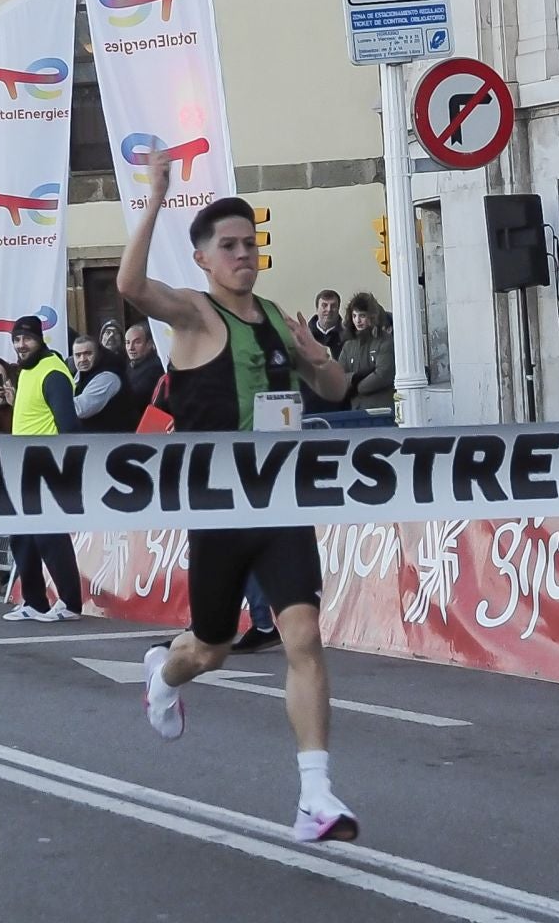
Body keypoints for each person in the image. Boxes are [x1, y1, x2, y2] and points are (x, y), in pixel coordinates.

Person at [120, 150, 358, 843]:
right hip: (218, 505)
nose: (243, 254)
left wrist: (320, 357)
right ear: (203, 260)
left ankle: (315, 795)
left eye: (250, 243)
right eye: (228, 246)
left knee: (304, 635)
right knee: (212, 649)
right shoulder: (193, 314)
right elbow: (133, 284)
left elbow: (335, 391)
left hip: (280, 499)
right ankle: (164, 675)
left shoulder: (279, 318)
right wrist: (156, 195)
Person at [5, 314, 85, 623]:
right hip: (25, 464)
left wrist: (68, 466)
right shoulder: (27, 371)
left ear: (40, 339)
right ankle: (34, 601)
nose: (20, 345)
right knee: (22, 536)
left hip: (49, 465)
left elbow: (68, 424)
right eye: (16, 339)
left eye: (26, 338)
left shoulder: (53, 372)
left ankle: (70, 602)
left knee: (50, 535)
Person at [70, 334, 142, 432]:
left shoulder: (108, 377)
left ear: (98, 353)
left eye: (88, 353)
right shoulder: (80, 373)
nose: (83, 359)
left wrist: (51, 404)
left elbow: (81, 409)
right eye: (78, 355)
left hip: (113, 441)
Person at [337, 293, 396, 413]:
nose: (357, 320)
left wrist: (356, 387)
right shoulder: (349, 345)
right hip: (356, 409)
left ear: (373, 317)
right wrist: (355, 378)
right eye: (354, 316)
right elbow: (338, 376)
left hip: (381, 410)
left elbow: (383, 374)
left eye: (362, 315)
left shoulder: (385, 341)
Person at [122, 323, 165, 415]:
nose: (130, 348)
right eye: (127, 342)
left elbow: (135, 397)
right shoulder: (131, 363)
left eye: (137, 342)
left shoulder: (155, 368)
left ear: (149, 344)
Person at [308, 290, 346, 358]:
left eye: (333, 306)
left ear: (338, 309)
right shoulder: (306, 335)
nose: (329, 309)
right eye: (324, 305)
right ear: (317, 308)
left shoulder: (348, 337)